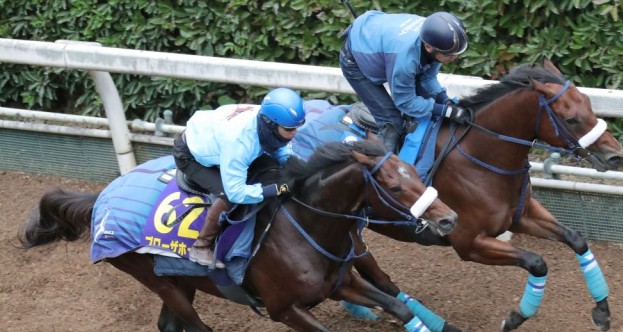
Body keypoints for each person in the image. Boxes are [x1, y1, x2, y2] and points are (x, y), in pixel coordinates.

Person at [173, 87, 306, 266]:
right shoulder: (239, 142)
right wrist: (273, 189)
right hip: (189, 156)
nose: (294, 133)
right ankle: (201, 246)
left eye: (297, 127)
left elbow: (281, 148)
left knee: (272, 168)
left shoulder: (267, 121)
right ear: (272, 124)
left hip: (215, 135)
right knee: (227, 196)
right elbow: (236, 192)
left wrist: (296, 169)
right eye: (289, 128)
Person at [339, 10, 472, 153]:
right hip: (355, 61)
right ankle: (380, 169)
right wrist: (445, 111)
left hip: (378, 35)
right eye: (450, 55)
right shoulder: (405, 60)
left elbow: (427, 79)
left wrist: (445, 101)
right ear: (428, 47)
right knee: (392, 120)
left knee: (429, 104)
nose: (455, 58)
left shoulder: (434, 37)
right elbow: (405, 102)